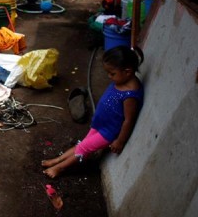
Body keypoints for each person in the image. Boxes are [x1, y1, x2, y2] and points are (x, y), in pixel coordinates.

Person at [42, 45, 144, 178]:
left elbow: (128, 120)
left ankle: (59, 168)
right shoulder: (121, 79)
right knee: (83, 144)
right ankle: (57, 160)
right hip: (101, 124)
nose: (109, 76)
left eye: (112, 73)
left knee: (84, 149)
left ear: (128, 71)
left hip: (108, 132)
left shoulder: (130, 95)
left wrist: (120, 141)